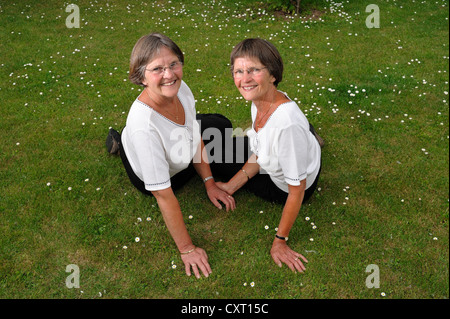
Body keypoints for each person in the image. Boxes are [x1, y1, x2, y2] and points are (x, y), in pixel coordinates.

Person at [106, 33, 236, 279]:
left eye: (174, 64)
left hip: (180, 150)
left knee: (222, 125)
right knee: (134, 138)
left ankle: (125, 137)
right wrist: (187, 250)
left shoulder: (181, 88)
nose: (169, 74)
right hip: (160, 172)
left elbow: (195, 135)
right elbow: (163, 195)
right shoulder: (143, 127)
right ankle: (120, 141)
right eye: (157, 69)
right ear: (140, 77)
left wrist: (210, 184)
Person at [215, 38, 323, 273]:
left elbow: (297, 190)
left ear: (273, 74)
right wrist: (233, 185)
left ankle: (309, 136)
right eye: (239, 71)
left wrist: (280, 241)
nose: (245, 79)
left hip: (287, 187)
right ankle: (310, 136)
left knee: (214, 157)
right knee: (221, 150)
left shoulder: (285, 126)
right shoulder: (261, 98)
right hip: (288, 146)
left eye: (254, 70)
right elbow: (261, 150)